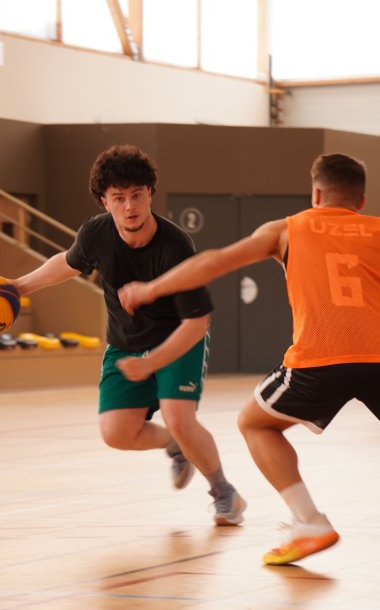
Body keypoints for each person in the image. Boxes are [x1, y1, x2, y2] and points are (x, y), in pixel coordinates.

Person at [118, 152, 380, 565]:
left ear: (315, 194)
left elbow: (214, 262)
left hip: (320, 357)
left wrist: (151, 289)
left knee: (256, 423)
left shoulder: (286, 229)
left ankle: (310, 522)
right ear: (361, 201)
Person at [9, 144, 246, 526]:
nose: (130, 206)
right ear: (105, 202)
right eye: (119, 198)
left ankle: (224, 492)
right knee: (116, 433)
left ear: (150, 193)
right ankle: (175, 446)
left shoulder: (175, 245)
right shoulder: (96, 233)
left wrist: (152, 363)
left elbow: (197, 323)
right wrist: (19, 286)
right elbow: (68, 263)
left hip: (177, 339)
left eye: (137, 195)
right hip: (125, 342)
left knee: (179, 417)